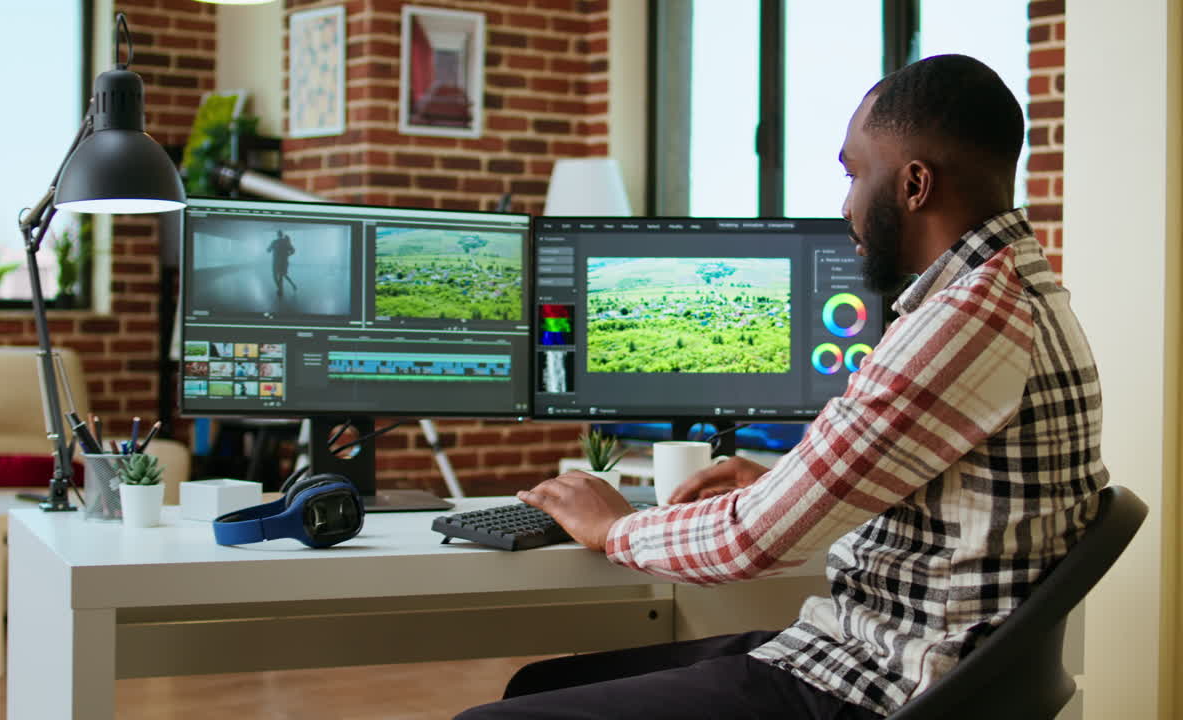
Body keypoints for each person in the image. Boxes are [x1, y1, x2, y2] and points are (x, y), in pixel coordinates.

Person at [457, 54, 1107, 720]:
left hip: (880, 684)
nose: (846, 205)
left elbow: (751, 541)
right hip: (913, 660)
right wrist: (779, 481)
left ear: (915, 185)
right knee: (537, 687)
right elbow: (948, 500)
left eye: (854, 174)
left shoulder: (962, 324)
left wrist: (615, 526)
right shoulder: (1021, 290)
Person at [267, 229, 296, 298]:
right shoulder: (285, 242)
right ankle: (285, 287)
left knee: (277, 276)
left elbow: (268, 250)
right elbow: (293, 250)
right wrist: (288, 255)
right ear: (282, 234)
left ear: (277, 234)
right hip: (283, 261)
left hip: (277, 262)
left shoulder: (275, 242)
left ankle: (280, 289)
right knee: (282, 275)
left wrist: (269, 249)